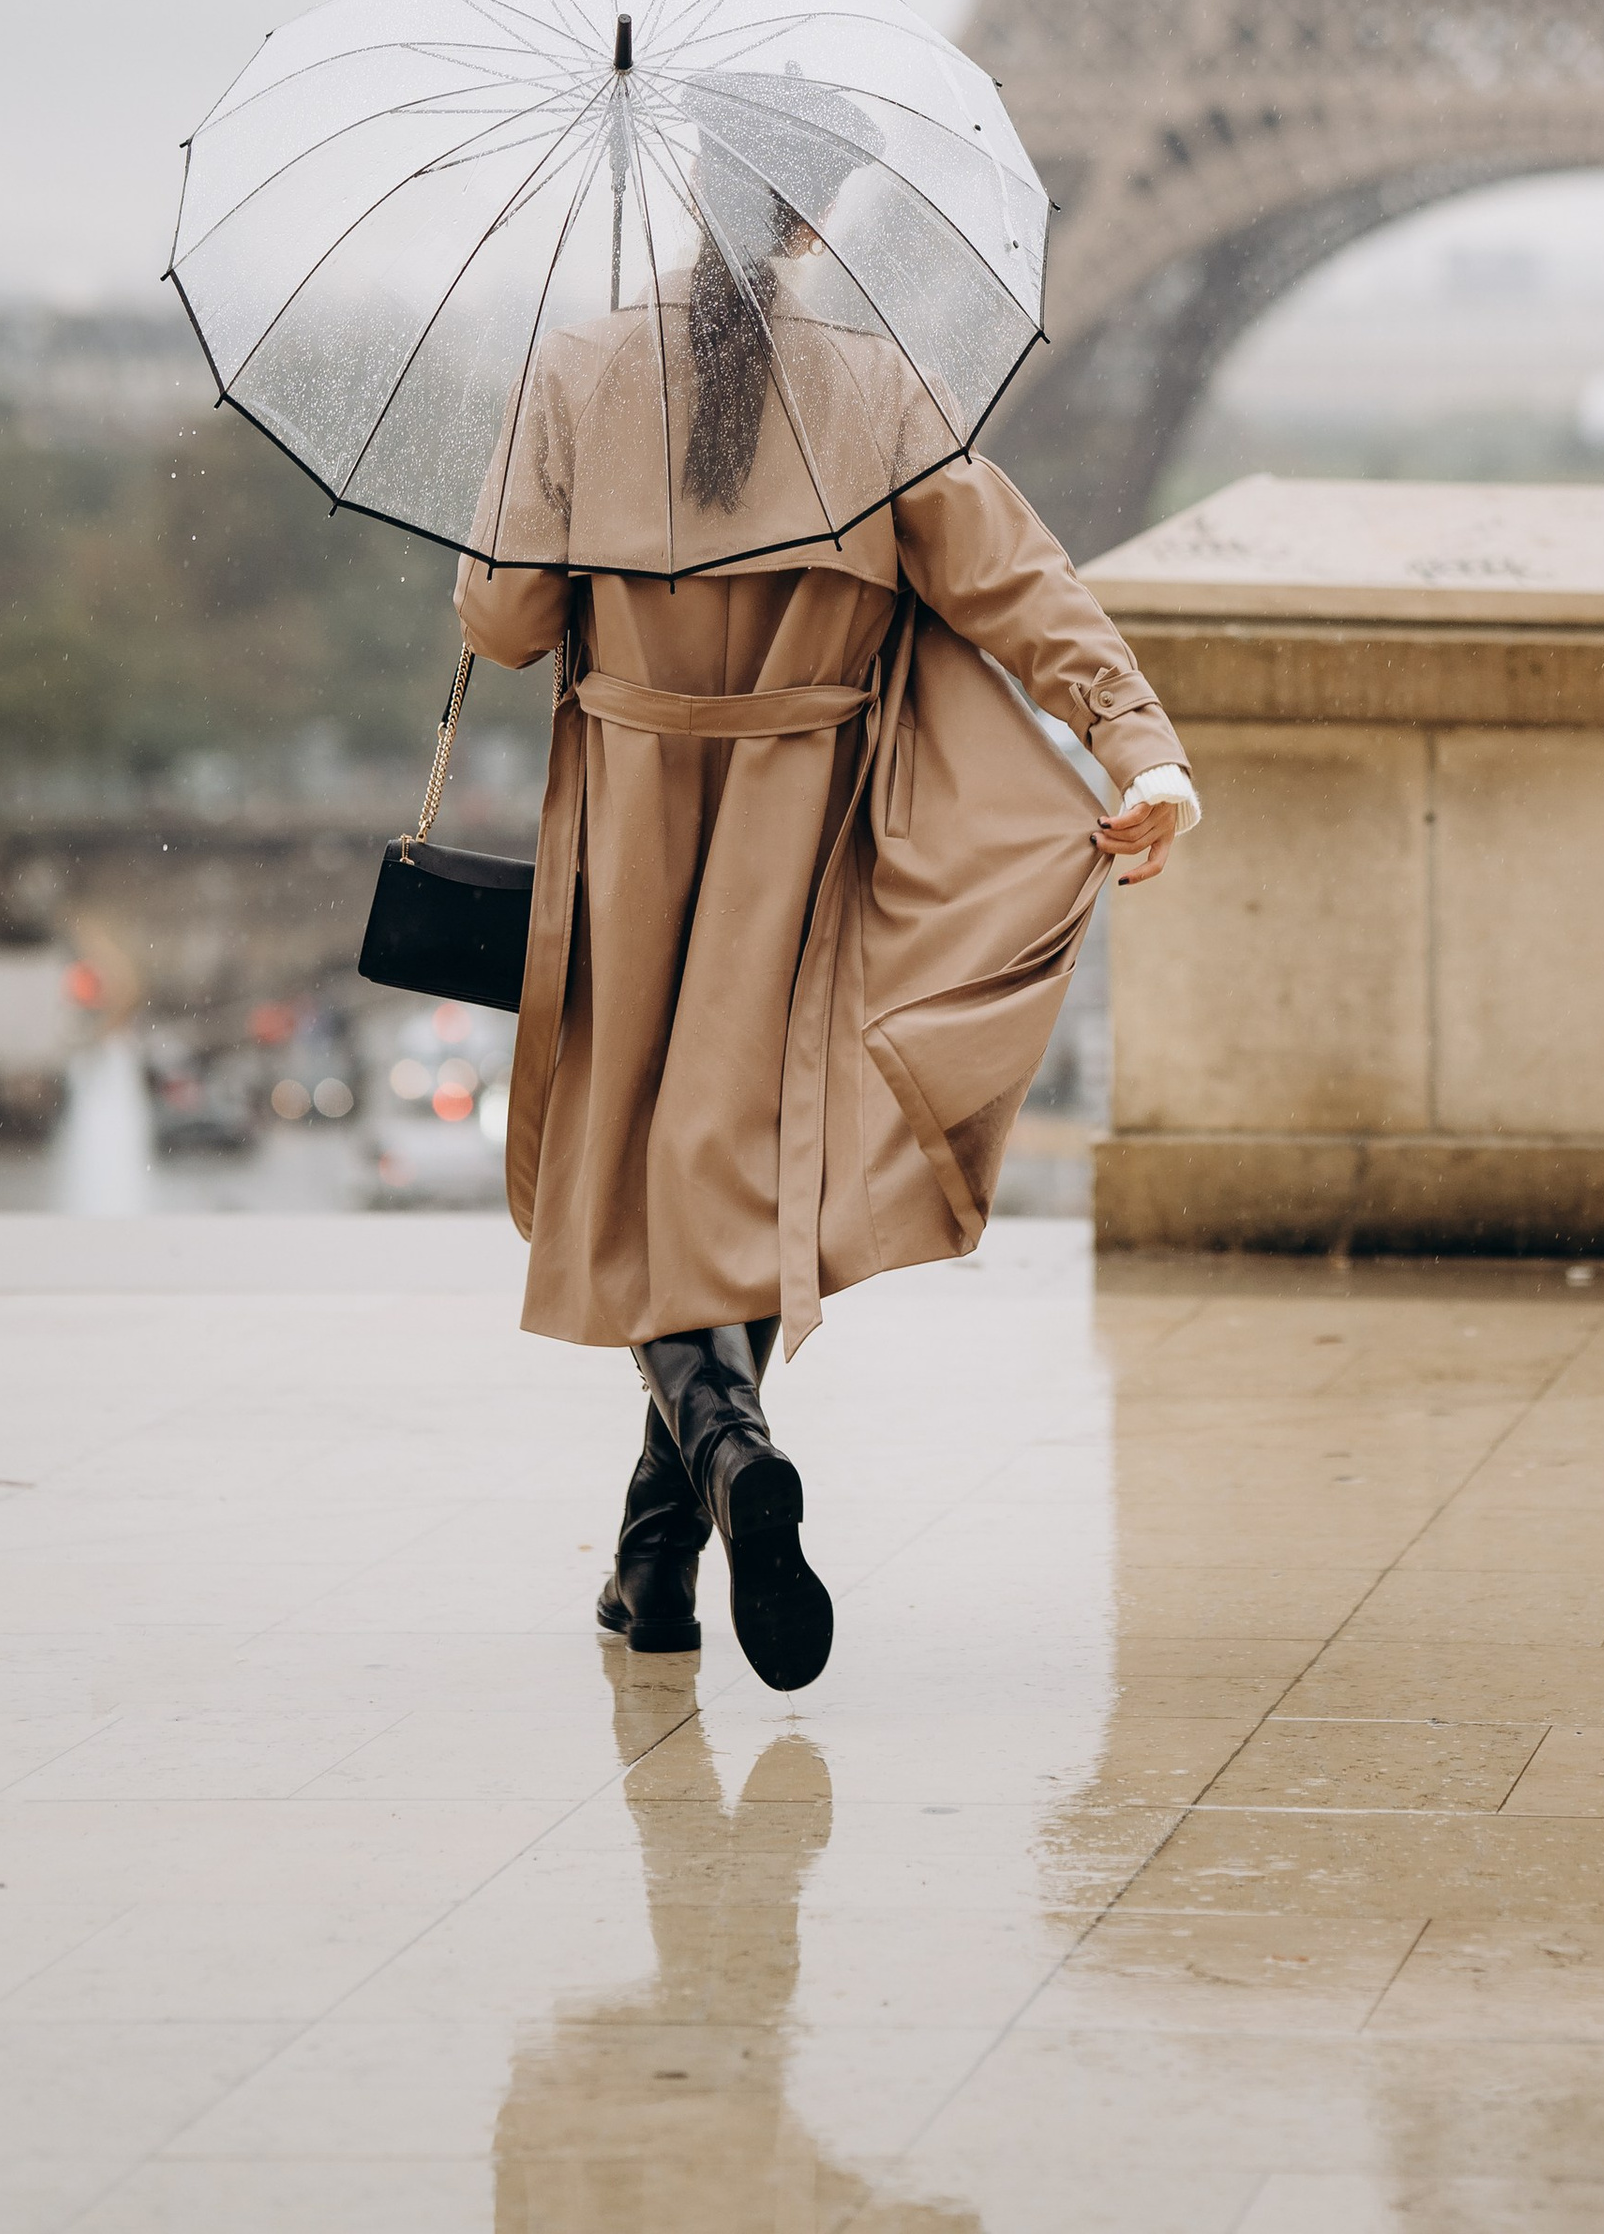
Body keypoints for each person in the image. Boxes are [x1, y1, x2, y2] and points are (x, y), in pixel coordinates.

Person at [453, 182, 1195, 1701]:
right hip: (798, 837)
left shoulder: (583, 363)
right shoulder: (874, 386)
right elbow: (1014, 580)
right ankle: (655, 1569)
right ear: (811, 222)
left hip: (631, 827)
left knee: (650, 1181)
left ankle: (725, 1452)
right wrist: (1142, 745)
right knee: (711, 1178)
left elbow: (507, 621)